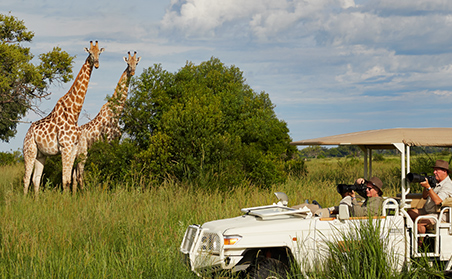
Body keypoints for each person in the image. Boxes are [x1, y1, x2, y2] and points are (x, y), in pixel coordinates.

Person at [407, 160, 452, 234]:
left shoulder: (448, 185)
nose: (434, 172)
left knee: (419, 220)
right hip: (429, 210)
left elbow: (438, 201)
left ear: (445, 171)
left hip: (441, 214)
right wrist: (426, 187)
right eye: (434, 170)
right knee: (409, 213)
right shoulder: (437, 182)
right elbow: (424, 196)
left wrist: (428, 187)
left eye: (437, 170)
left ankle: (420, 244)